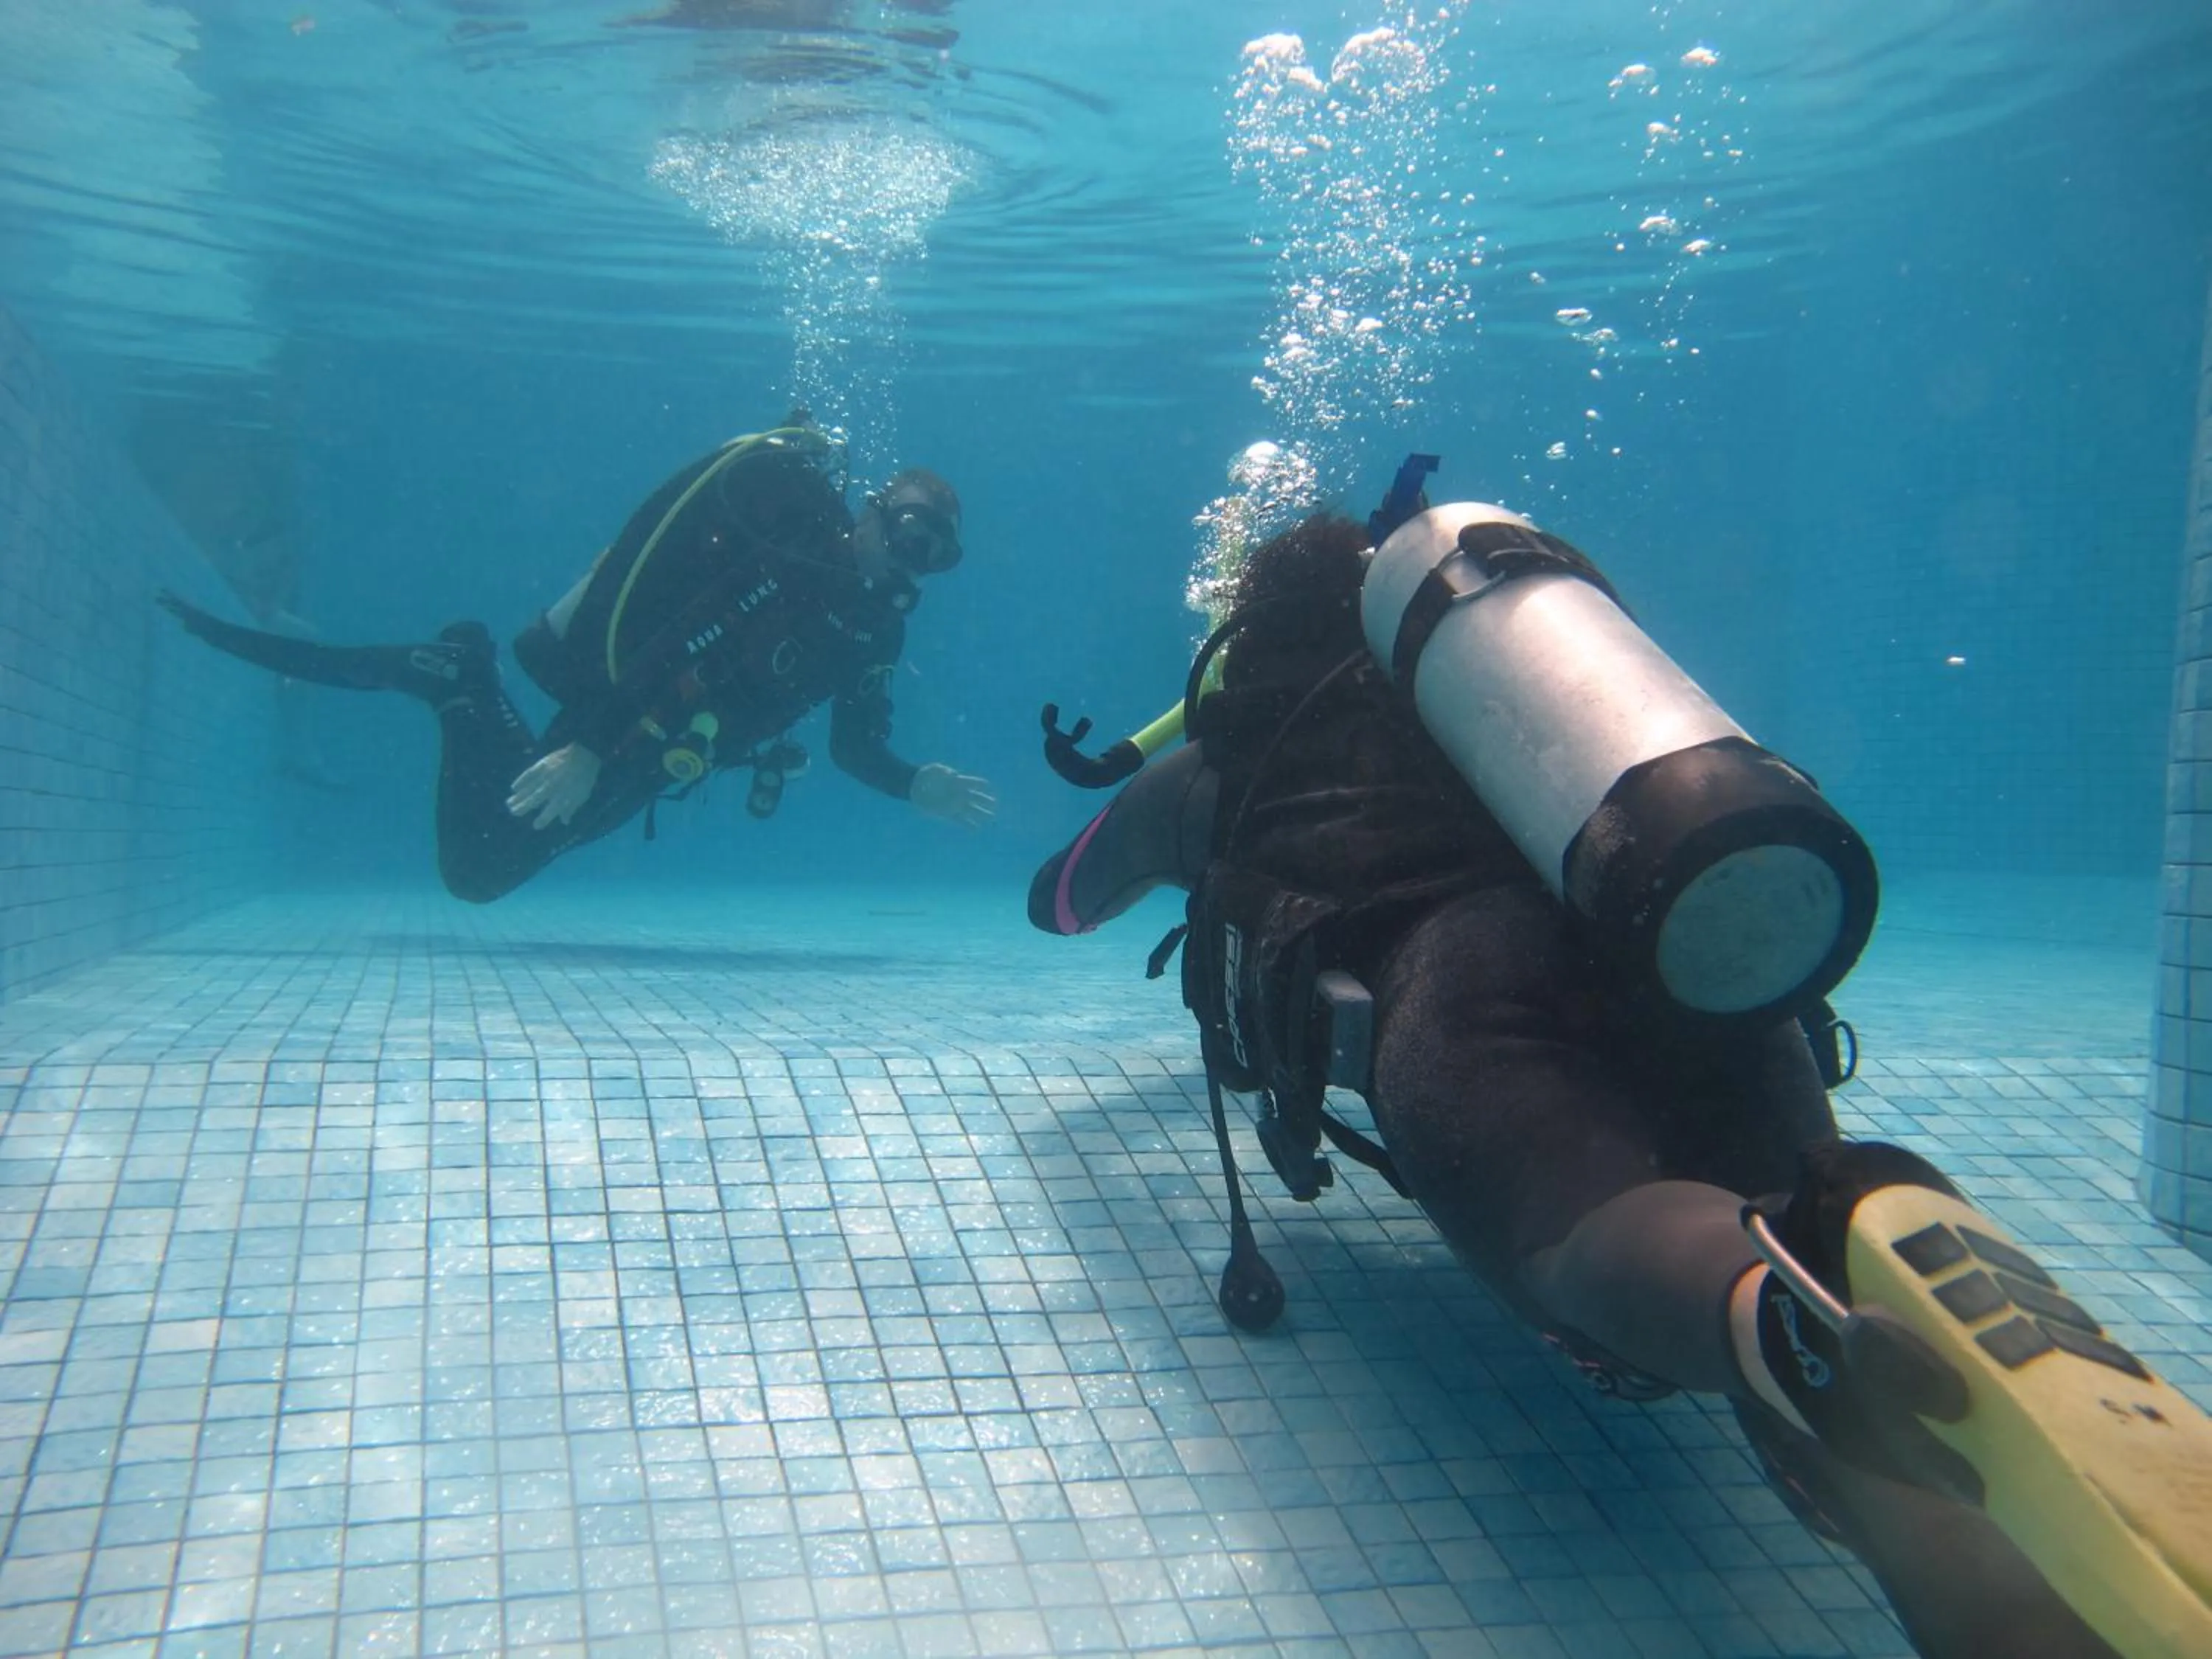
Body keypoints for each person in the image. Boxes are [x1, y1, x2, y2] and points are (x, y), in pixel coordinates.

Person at [1029, 505, 2211, 1659]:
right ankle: (1872, 1307)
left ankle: (1777, 1315)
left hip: (1470, 980)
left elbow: (1063, 899)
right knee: (1810, 1226)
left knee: (1580, 1230)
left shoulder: (1222, 764)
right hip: (1682, 942)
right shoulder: (1531, 717)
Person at [159, 417, 995, 902]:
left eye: (934, 555)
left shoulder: (875, 633)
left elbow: (853, 744)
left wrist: (910, 782)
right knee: (482, 867)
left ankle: (461, 678)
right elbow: (686, 635)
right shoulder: (790, 557)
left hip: (666, 750)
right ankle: (461, 675)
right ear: (872, 514)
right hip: (626, 715)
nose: (910, 561)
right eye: (907, 534)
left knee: (500, 857)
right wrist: (590, 745)